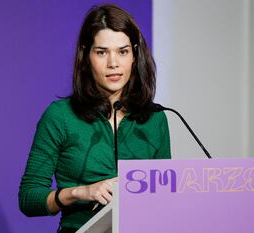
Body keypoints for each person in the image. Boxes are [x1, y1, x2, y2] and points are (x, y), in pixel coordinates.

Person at [18, 4, 171, 233]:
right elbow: (29, 198)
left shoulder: (155, 118)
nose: (113, 63)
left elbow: (165, 197)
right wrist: (80, 192)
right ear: (86, 55)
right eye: (101, 52)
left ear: (135, 55)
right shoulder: (60, 116)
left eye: (123, 51)